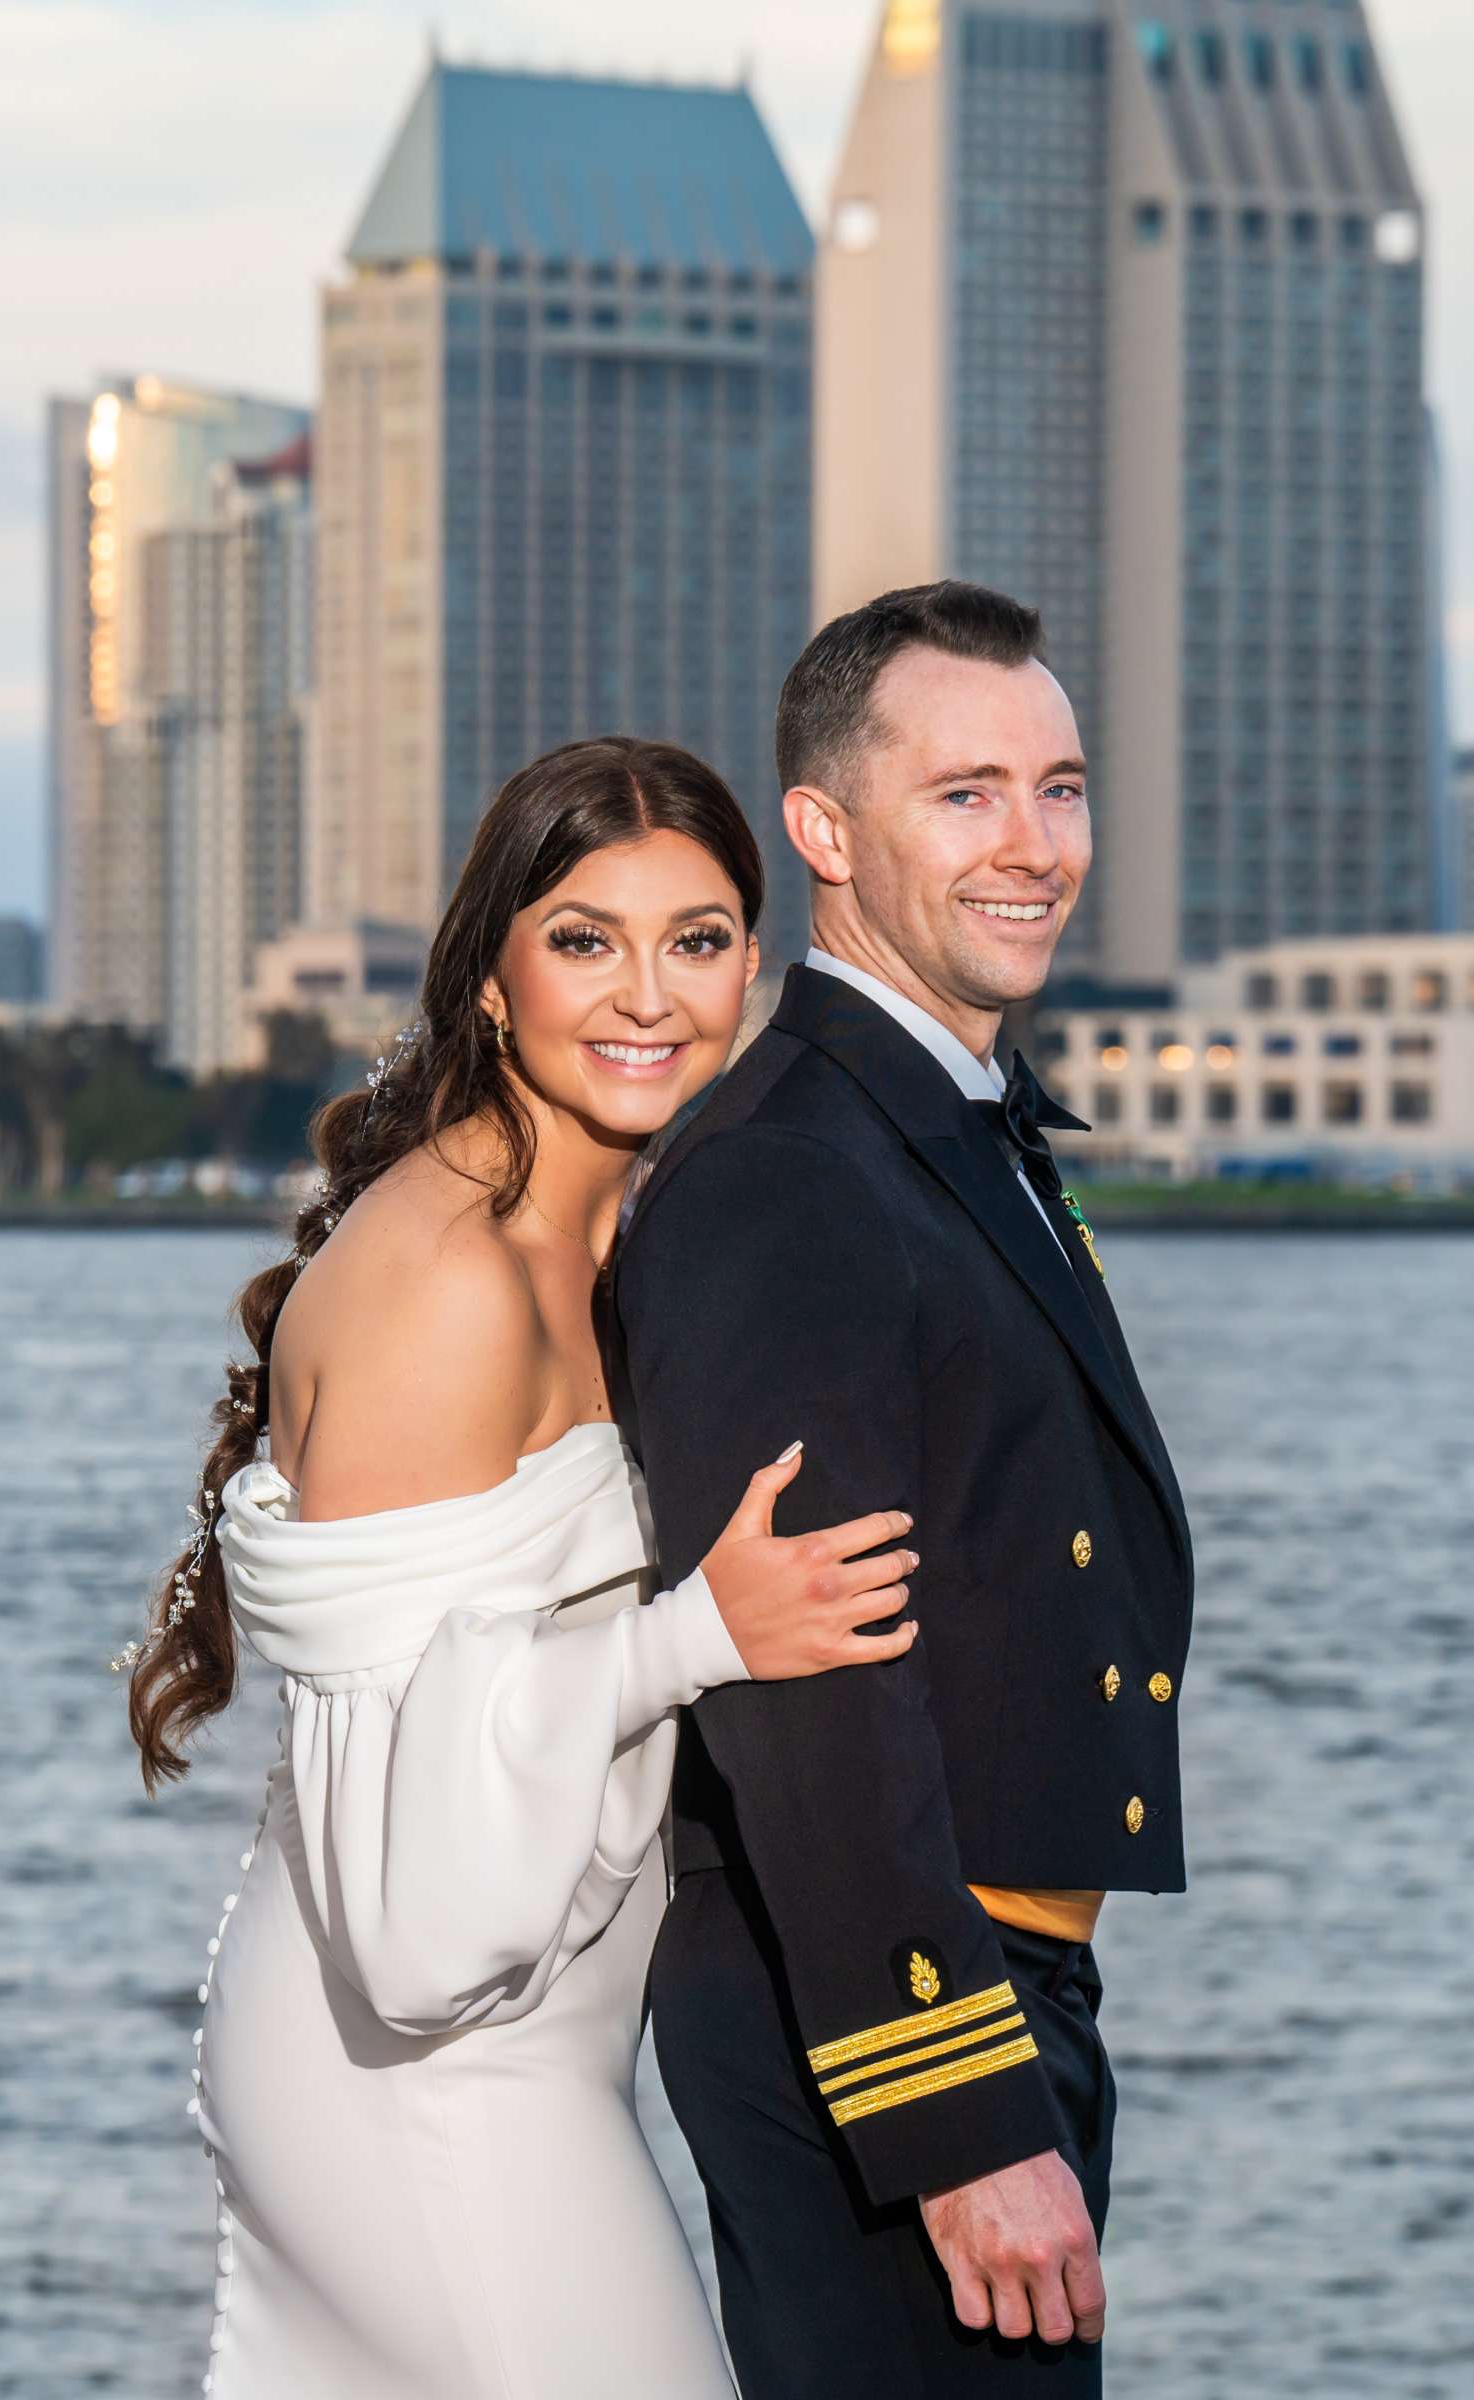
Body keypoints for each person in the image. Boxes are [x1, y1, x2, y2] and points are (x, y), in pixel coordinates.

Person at [119, 737, 921, 2400]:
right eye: (584, 939)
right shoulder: (451, 1285)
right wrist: (691, 1638)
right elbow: (406, 1899)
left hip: (523, 2045)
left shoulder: (616, 1225)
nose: (649, 996)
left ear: (753, 968)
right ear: (490, 975)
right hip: (416, 2066)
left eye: (697, 941)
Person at [608, 582, 1195, 2396]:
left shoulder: (941, 1125)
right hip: (888, 2021)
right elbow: (811, 1682)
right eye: (968, 794)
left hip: (983, 1984)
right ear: (826, 832)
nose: (1034, 846)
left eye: (1063, 787)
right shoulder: (792, 1168)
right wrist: (954, 2121)